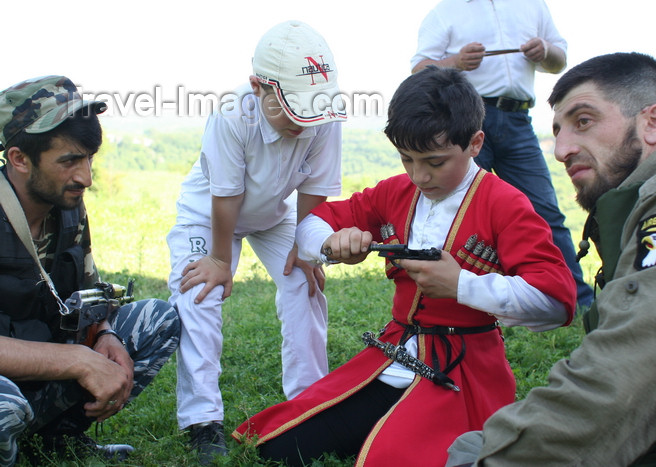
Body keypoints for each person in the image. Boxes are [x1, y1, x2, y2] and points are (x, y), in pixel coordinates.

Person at [232, 66, 576, 467]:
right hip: (393, 355)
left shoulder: (506, 203)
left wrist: (462, 284)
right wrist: (330, 243)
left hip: (463, 374)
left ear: (476, 143)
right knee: (275, 446)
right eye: (407, 159)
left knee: (390, 459)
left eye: (435, 161)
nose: (420, 175)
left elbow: (556, 302)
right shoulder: (397, 190)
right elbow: (312, 222)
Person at [445, 52, 656, 466]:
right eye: (557, 131)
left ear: (653, 123)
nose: (562, 150)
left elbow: (625, 374)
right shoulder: (647, 200)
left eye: (583, 121)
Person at [166, 20, 346, 463]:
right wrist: (220, 260)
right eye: (290, 109)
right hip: (210, 215)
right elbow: (226, 196)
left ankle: (307, 404)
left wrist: (305, 247)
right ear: (258, 87)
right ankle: (202, 421)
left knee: (305, 284)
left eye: (310, 110)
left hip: (272, 214)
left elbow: (315, 189)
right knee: (199, 292)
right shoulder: (232, 114)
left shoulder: (323, 115)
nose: (303, 123)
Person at [0, 75, 181, 466]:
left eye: (88, 158)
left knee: (158, 319)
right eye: (69, 161)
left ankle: (58, 439)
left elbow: (89, 291)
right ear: (19, 158)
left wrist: (107, 335)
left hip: (41, 369)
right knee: (4, 406)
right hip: (7, 385)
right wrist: (78, 361)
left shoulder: (67, 207)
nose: (86, 177)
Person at [411, 0, 594, 309]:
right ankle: (447, 296)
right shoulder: (445, 11)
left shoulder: (532, 6)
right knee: (454, 208)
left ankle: (575, 297)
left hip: (517, 120)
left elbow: (558, 61)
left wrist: (545, 51)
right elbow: (418, 70)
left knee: (545, 211)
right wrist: (455, 61)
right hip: (464, 120)